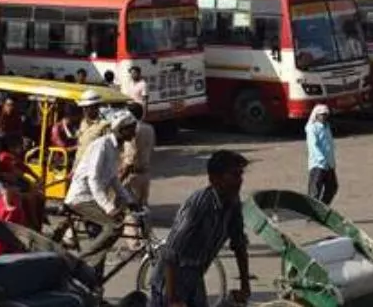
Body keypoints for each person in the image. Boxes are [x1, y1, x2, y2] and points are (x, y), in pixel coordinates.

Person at [150, 150, 252, 307]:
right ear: (214, 179)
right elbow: (170, 252)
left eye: (240, 175)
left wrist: (245, 285)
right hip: (170, 279)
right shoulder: (199, 205)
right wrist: (172, 299)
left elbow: (239, 244)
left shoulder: (233, 202)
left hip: (195, 276)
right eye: (234, 175)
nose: (239, 181)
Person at [63, 111, 139, 274]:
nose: (134, 132)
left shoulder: (116, 147)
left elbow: (113, 179)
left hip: (93, 197)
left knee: (101, 241)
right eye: (131, 128)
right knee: (115, 225)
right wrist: (108, 207)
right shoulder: (102, 145)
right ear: (121, 129)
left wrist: (130, 201)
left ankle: (94, 280)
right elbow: (94, 179)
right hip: (81, 197)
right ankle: (80, 260)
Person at [120, 102, 156, 251]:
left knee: (130, 210)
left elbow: (129, 157)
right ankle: (147, 238)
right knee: (143, 207)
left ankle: (134, 244)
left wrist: (121, 177)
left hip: (132, 174)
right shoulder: (149, 129)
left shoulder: (132, 130)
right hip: (145, 172)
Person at [305, 104, 338, 205]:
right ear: (316, 115)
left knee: (332, 187)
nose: (324, 117)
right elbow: (313, 145)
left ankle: (323, 207)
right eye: (321, 114)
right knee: (315, 190)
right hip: (318, 164)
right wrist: (321, 159)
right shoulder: (312, 128)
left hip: (329, 164)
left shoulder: (326, 127)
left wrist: (331, 161)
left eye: (325, 114)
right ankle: (312, 210)